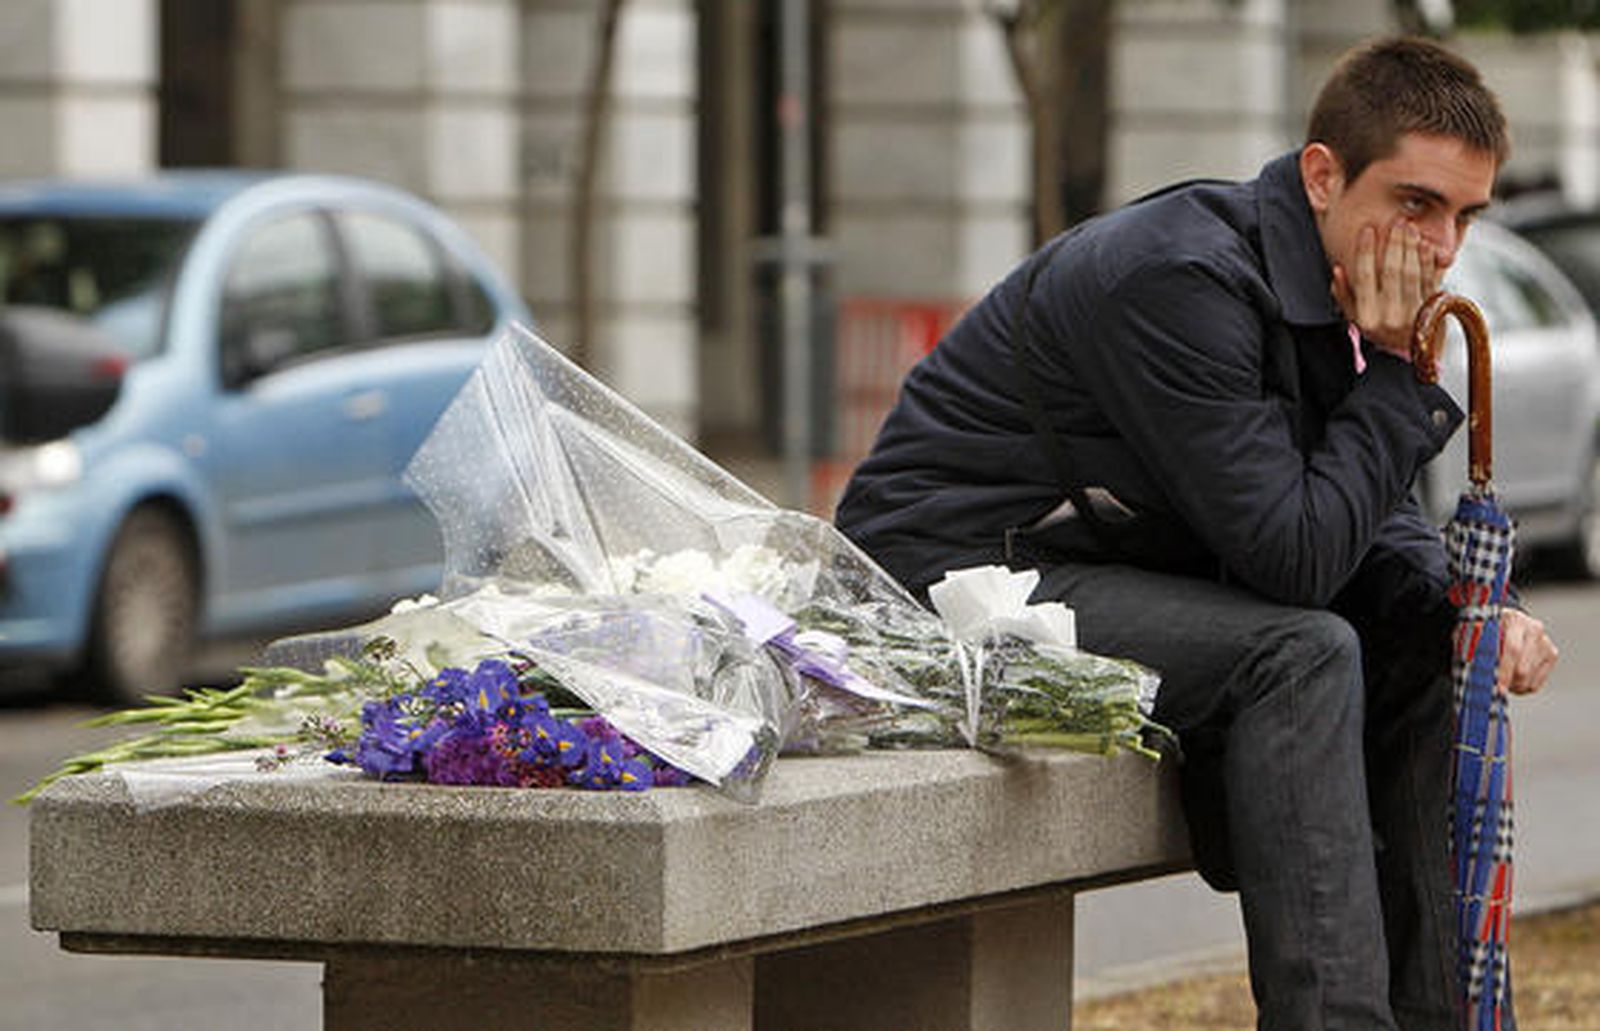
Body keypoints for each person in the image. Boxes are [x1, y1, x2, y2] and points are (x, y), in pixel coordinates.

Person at [835, 36, 1559, 1031]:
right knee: (1299, 654)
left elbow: (1366, 511)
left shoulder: (1322, 277)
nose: (1438, 248)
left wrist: (1477, 607)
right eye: (1414, 202)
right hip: (944, 576)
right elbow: (1295, 557)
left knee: (1431, 638)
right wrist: (1393, 372)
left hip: (1093, 553)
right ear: (1322, 175)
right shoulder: (1179, 279)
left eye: (1463, 216)